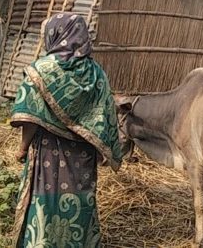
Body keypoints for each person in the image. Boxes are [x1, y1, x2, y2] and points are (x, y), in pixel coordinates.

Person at [10, 13, 122, 247]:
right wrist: (103, 150)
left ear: (56, 35)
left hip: (47, 153)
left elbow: (30, 117)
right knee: (79, 204)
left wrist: (22, 148)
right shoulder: (96, 74)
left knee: (45, 202)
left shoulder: (40, 70)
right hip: (82, 157)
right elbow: (105, 114)